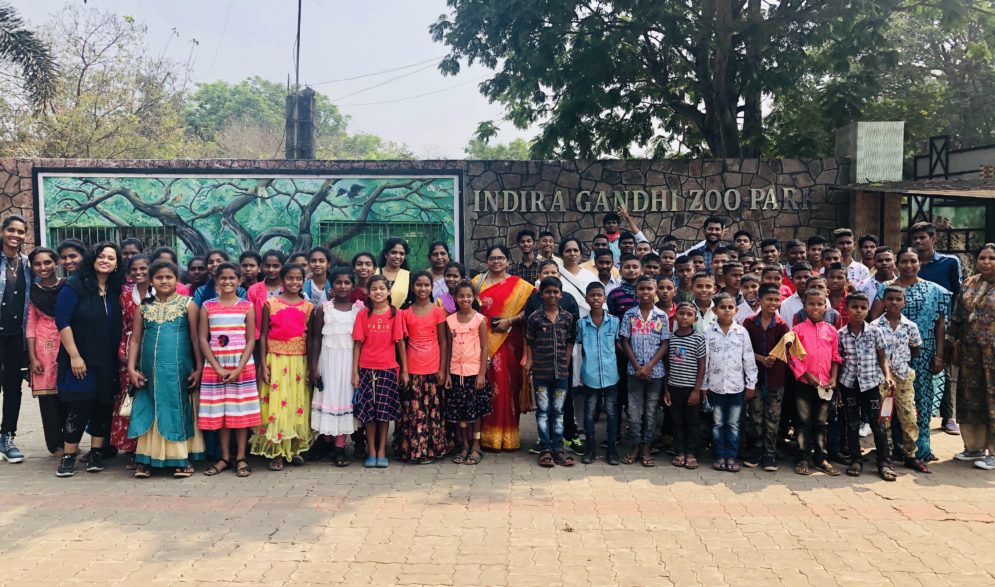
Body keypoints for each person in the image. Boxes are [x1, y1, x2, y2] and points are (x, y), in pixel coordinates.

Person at [870, 248, 949, 463]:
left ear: (919, 263)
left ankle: (919, 449)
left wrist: (939, 354)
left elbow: (941, 325)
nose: (908, 265)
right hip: (887, 361)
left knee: (919, 403)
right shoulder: (886, 288)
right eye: (903, 261)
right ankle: (891, 448)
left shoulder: (936, 291)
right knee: (888, 405)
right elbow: (873, 319)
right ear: (896, 263)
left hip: (922, 356)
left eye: (912, 261)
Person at [126, 260, 204, 479]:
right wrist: (132, 368)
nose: (164, 281)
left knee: (175, 406)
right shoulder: (144, 306)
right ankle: (146, 459)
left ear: (176, 280)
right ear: (151, 280)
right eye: (159, 277)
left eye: (169, 277)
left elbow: (196, 338)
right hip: (148, 371)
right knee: (148, 408)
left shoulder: (187, 304)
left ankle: (181, 458)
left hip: (177, 371)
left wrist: (198, 368)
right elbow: (135, 341)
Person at [54, 242, 124, 477]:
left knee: (103, 405)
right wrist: (74, 356)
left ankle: (96, 454)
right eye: (101, 256)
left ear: (116, 265)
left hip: (107, 360)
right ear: (93, 259)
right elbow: (62, 322)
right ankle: (68, 456)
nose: (105, 261)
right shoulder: (75, 286)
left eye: (111, 258)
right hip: (80, 359)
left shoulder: (115, 290)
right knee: (79, 406)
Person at [198, 263, 260, 478]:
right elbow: (202, 339)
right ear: (216, 280)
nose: (227, 282)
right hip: (215, 365)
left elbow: (251, 339)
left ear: (239, 281)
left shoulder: (247, 306)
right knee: (223, 414)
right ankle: (224, 457)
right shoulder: (207, 306)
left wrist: (239, 368)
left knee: (240, 413)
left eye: (232, 278)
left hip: (241, 365)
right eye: (222, 278)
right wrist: (217, 367)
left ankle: (241, 457)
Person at [251, 264, 315, 471]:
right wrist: (263, 365)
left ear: (304, 280)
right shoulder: (270, 303)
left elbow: (310, 338)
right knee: (277, 407)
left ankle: (291, 448)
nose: (294, 282)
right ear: (282, 280)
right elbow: (262, 335)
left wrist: (309, 368)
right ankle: (276, 451)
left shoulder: (309, 307)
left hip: (298, 361)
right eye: (290, 278)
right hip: (276, 360)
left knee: (296, 404)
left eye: (298, 279)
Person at [471, 245, 533, 451]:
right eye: (492, 258)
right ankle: (486, 438)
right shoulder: (476, 284)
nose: (496, 262)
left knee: (507, 389)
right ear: (486, 261)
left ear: (507, 261)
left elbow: (531, 310)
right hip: (482, 345)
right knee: (487, 390)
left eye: (500, 258)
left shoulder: (521, 286)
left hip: (508, 345)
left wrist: (511, 320)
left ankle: (507, 438)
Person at [910, 221, 963, 436]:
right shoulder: (911, 263)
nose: (918, 242)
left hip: (943, 322)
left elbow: (957, 293)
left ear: (934, 239)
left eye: (923, 237)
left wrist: (954, 326)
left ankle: (947, 417)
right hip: (915, 323)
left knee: (942, 366)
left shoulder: (949, 262)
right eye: (915, 238)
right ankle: (916, 414)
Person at [837, 292, 896, 480]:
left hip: (870, 385)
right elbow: (838, 362)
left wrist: (887, 376)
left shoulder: (875, 331)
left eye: (863, 308)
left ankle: (884, 462)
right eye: (854, 307)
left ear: (868, 309)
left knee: (877, 423)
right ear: (847, 309)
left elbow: (882, 356)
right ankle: (856, 459)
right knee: (852, 423)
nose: (859, 311)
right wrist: (838, 389)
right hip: (849, 385)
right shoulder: (840, 334)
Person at [309, 267, 362, 468]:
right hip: (328, 362)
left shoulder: (359, 310)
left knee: (344, 402)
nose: (342, 286)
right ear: (332, 286)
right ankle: (327, 443)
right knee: (328, 399)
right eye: (338, 282)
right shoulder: (324, 309)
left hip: (349, 364)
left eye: (347, 282)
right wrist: (313, 367)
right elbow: (314, 339)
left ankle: (340, 447)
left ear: (353, 286)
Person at [352, 275, 407, 468]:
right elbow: (357, 345)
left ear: (389, 291)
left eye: (382, 288)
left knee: (384, 413)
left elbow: (400, 344)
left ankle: (382, 450)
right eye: (374, 288)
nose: (378, 292)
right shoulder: (363, 315)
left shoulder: (396, 314)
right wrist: (355, 372)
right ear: (369, 292)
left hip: (388, 369)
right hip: (366, 369)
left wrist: (405, 371)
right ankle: (371, 452)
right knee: (369, 414)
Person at [948, 244, 995, 469]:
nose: (986, 262)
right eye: (982, 258)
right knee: (970, 398)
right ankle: (974, 447)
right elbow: (957, 315)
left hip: (992, 355)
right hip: (970, 355)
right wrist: (950, 341)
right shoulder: (969, 283)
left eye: (992, 258)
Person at [395, 271, 449, 463]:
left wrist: (443, 370)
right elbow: (402, 343)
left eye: (427, 285)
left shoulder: (438, 311)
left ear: (431, 287)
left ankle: (432, 449)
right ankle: (413, 450)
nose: (423, 288)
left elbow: (443, 341)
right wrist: (405, 370)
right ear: (412, 287)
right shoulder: (405, 313)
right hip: (413, 369)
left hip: (433, 369)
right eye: (419, 285)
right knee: (413, 412)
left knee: (432, 411)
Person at [874, 285, 928, 473]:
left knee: (909, 416)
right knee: (884, 417)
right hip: (881, 378)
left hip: (904, 376)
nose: (894, 303)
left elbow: (915, 349)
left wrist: (901, 365)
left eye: (898, 299)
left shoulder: (910, 326)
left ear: (904, 302)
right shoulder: (875, 326)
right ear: (884, 301)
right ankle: (886, 455)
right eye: (890, 299)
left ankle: (910, 455)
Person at [788, 289, 842, 476]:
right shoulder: (798, 330)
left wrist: (834, 378)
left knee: (821, 422)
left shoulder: (832, 331)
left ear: (826, 307)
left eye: (820, 304)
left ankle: (820, 458)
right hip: (804, 384)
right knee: (803, 421)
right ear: (804, 306)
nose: (816, 307)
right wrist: (808, 376)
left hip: (825, 385)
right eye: (811, 303)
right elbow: (793, 357)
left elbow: (836, 357)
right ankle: (803, 457)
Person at [703, 292, 758, 473]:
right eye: (722, 307)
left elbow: (748, 359)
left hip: (736, 387)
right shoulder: (708, 333)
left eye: (730, 307)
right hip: (715, 386)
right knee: (718, 422)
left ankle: (731, 456)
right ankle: (719, 455)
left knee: (734, 423)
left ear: (736, 310)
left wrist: (751, 383)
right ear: (715, 310)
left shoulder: (742, 332)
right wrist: (703, 386)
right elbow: (705, 361)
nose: (726, 311)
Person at [525, 276, 577, 467]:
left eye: (556, 291)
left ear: (561, 294)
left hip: (561, 372)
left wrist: (567, 356)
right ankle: (545, 448)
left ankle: (559, 448)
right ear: (541, 294)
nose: (552, 295)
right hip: (540, 372)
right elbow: (529, 340)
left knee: (558, 411)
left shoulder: (567, 317)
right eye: (548, 291)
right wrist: (529, 361)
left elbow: (571, 339)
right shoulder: (534, 318)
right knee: (543, 411)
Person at [619, 275, 670, 467]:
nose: (646, 292)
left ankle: (647, 447)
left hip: (655, 373)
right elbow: (625, 341)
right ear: (636, 292)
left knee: (650, 412)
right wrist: (638, 367)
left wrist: (649, 366)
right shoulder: (630, 315)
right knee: (633, 411)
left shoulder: (662, 316)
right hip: (634, 372)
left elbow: (665, 343)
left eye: (649, 289)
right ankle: (634, 446)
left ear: (655, 291)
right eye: (642, 289)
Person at [743, 284, 790, 471]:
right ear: (760, 300)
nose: (773, 303)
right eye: (769, 299)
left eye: (776, 300)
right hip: (754, 378)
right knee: (755, 415)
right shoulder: (748, 323)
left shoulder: (782, 325)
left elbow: (786, 349)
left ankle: (770, 453)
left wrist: (774, 357)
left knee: (773, 416)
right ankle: (756, 450)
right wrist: (760, 358)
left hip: (776, 378)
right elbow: (744, 349)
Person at [443, 280, 491, 465]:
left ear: (474, 297)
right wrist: (447, 373)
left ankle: (476, 445)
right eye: (461, 296)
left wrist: (481, 374)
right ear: (455, 298)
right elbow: (448, 348)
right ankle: (463, 445)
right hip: (456, 373)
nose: (465, 299)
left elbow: (485, 347)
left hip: (474, 373)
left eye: (468, 296)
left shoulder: (480, 319)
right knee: (460, 412)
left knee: (476, 411)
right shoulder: (450, 320)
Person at [576, 282, 620, 465]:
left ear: (605, 298)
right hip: (590, 374)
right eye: (592, 295)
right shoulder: (581, 324)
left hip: (611, 375)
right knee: (589, 413)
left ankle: (611, 450)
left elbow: (618, 345)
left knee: (611, 413)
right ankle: (590, 450)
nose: (596, 298)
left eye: (599, 295)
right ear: (586, 298)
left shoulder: (614, 322)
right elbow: (579, 350)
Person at [26, 247, 65, 457]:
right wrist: (32, 357)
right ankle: (55, 445)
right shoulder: (32, 292)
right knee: (48, 400)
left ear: (56, 263)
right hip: (43, 346)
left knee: (69, 394)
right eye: (37, 264)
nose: (43, 268)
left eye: (47, 262)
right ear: (32, 267)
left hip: (67, 341)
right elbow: (30, 326)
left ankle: (70, 440)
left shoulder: (67, 286)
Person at [113, 254, 150, 467]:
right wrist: (120, 350)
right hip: (129, 348)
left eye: (143, 268)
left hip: (155, 348)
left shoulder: (160, 290)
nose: (138, 272)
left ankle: (149, 447)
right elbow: (120, 326)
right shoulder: (125, 295)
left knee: (149, 398)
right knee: (131, 397)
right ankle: (133, 448)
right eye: (134, 269)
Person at [0, 215, 30, 463]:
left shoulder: (27, 264)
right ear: (2, 231)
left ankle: (7, 437)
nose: (16, 235)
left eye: (21, 232)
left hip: (14, 336)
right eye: (11, 230)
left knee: (12, 388)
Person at [664, 302, 706, 470]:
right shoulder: (671, 338)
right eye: (681, 313)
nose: (684, 317)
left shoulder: (698, 338)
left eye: (689, 314)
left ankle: (691, 453)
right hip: (674, 387)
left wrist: (697, 390)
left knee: (692, 422)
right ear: (675, 316)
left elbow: (702, 364)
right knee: (677, 421)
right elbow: (666, 365)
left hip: (691, 389)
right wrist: (666, 389)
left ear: (695, 319)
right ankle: (680, 451)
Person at [247, 250, 285, 341]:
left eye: (275, 266)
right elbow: (249, 320)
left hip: (284, 339)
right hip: (258, 340)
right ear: (262, 267)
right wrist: (258, 338)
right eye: (267, 266)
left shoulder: (289, 288)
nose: (271, 270)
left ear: (283, 267)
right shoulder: (253, 290)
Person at [377, 237, 411, 308]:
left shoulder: (409, 276)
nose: (398, 256)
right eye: (394, 252)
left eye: (401, 254)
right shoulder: (374, 273)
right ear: (386, 254)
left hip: (401, 317)